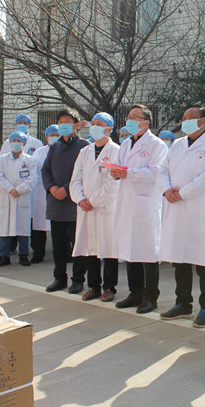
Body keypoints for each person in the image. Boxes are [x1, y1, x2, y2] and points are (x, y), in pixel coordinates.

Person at [158, 105, 205, 328]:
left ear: (204, 121)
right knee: (180, 258)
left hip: (200, 209)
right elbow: (162, 170)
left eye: (191, 118)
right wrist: (166, 190)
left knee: (204, 260)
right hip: (176, 208)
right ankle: (183, 303)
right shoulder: (177, 144)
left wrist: (182, 192)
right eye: (184, 117)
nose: (185, 121)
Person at [111, 104, 168, 313]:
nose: (130, 120)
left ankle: (151, 297)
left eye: (135, 117)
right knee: (130, 249)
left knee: (148, 252)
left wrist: (129, 173)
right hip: (127, 202)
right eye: (129, 116)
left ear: (146, 122)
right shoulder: (126, 143)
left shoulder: (157, 145)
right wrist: (115, 173)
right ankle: (135, 293)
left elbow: (156, 173)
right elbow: (119, 166)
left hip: (145, 205)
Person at [70, 113, 120, 301]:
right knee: (90, 247)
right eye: (93, 123)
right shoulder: (85, 152)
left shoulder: (116, 151)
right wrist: (80, 199)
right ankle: (94, 286)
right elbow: (75, 179)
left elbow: (113, 183)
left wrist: (94, 201)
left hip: (105, 208)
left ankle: (109, 287)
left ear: (109, 129)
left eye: (99, 124)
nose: (95, 127)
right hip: (86, 208)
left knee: (109, 248)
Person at [42, 108, 89, 293]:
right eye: (60, 122)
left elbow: (86, 174)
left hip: (74, 204)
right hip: (56, 203)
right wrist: (51, 187)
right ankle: (59, 278)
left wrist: (67, 189)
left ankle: (78, 280)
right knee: (58, 246)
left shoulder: (84, 146)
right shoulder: (55, 147)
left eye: (67, 121)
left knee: (77, 245)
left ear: (76, 125)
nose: (63, 125)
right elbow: (45, 170)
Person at [0, 131, 38, 267]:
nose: (16, 143)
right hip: (7, 197)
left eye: (19, 141)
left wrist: (18, 190)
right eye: (13, 141)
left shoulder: (30, 160)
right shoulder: (2, 159)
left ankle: (23, 255)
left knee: (23, 228)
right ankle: (4, 255)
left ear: (24, 143)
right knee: (5, 228)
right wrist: (10, 189)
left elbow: (33, 179)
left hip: (22, 198)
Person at [29, 125, 59, 264]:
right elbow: (33, 172)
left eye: (57, 135)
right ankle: (38, 253)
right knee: (39, 226)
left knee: (60, 227)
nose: (55, 137)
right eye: (52, 135)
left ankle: (64, 253)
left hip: (59, 193)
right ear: (46, 137)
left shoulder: (64, 151)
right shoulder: (38, 153)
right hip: (41, 193)